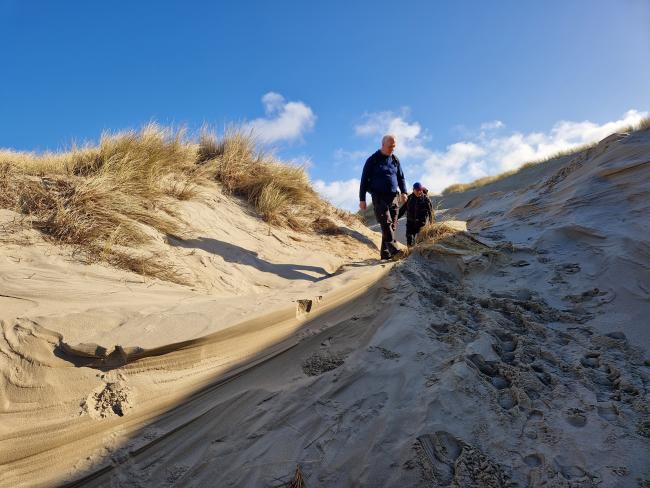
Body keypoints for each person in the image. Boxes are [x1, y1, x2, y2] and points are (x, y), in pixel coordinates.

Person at [359, 135, 408, 260]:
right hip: (378, 196)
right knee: (386, 224)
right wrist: (362, 199)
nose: (392, 148)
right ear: (383, 145)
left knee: (392, 226)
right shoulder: (373, 160)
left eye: (394, 146)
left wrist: (404, 192)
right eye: (390, 146)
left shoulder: (395, 160)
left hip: (393, 197)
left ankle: (385, 255)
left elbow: (401, 177)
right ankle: (395, 251)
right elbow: (364, 180)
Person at [398, 182, 434, 246]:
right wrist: (395, 219)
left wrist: (432, 223)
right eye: (417, 190)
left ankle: (418, 254)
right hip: (410, 223)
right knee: (409, 239)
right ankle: (410, 253)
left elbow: (431, 212)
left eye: (420, 190)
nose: (418, 192)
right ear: (413, 190)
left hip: (421, 224)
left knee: (420, 241)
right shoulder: (409, 198)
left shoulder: (426, 199)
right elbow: (402, 210)